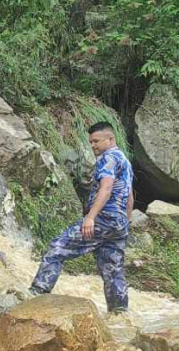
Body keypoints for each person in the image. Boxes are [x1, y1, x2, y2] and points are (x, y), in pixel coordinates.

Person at [30, 122, 134, 313]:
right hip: (118, 224)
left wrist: (91, 217)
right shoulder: (125, 161)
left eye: (96, 141)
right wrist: (126, 221)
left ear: (110, 139)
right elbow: (129, 195)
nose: (93, 145)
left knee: (57, 248)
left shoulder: (108, 158)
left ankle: (37, 293)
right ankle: (119, 313)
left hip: (103, 219)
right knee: (113, 270)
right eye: (91, 142)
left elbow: (107, 187)